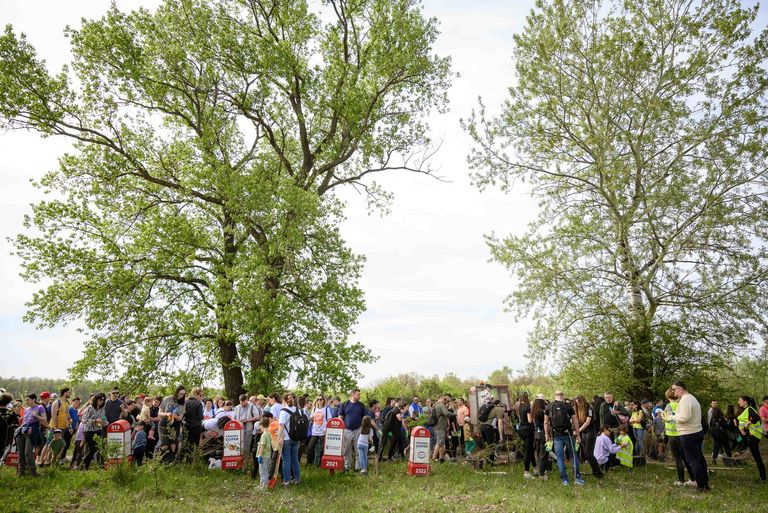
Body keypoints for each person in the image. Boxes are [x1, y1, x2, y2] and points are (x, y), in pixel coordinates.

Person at [672, 381, 709, 491]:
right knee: (699, 459)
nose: (673, 392)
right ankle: (704, 483)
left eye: (674, 389)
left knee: (693, 460)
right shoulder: (691, 398)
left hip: (689, 434)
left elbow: (684, 418)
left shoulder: (686, 400)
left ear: (680, 389)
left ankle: (701, 485)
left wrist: (671, 417)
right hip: (695, 432)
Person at [544, 391, 584, 486]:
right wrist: (578, 434)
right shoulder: (568, 406)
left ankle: (565, 480)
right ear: (562, 396)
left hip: (556, 435)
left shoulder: (549, 406)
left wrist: (547, 435)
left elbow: (546, 422)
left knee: (560, 458)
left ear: (555, 396)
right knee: (573, 455)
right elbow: (575, 420)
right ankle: (577, 478)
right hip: (568, 434)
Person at [663, 387, 695, 486]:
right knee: (686, 458)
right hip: (682, 433)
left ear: (668, 397)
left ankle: (681, 481)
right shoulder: (680, 404)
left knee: (678, 459)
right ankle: (693, 479)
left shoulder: (668, 406)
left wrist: (663, 418)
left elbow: (668, 419)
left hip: (673, 435)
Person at [338, 388, 369, 471]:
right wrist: (341, 428)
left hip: (358, 430)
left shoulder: (361, 405)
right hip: (346, 430)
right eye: (358, 394)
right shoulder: (344, 404)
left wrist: (363, 428)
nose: (359, 396)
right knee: (346, 450)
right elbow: (340, 417)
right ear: (352, 394)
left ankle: (357, 467)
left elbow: (365, 417)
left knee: (358, 449)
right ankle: (347, 467)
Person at [737, 395, 766, 482]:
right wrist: (741, 428)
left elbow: (757, 418)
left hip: (754, 436)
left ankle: (763, 477)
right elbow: (743, 422)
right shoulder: (746, 410)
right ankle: (762, 477)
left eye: (740, 400)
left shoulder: (749, 409)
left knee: (757, 457)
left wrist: (749, 422)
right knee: (756, 456)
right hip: (749, 435)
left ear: (745, 401)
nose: (738, 402)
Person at [16, 393, 46, 477]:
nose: (26, 402)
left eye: (28, 400)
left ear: (34, 399)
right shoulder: (26, 409)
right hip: (23, 431)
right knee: (21, 453)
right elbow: (25, 421)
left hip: (32, 432)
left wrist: (36, 415)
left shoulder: (40, 407)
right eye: (25, 400)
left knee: (28, 453)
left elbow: (44, 419)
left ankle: (33, 472)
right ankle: (21, 471)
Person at [574, 394, 602, 479]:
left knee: (589, 453)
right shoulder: (579, 410)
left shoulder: (589, 409)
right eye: (576, 403)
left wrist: (578, 431)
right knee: (586, 453)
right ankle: (594, 470)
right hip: (584, 433)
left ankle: (598, 472)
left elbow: (587, 422)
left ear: (582, 402)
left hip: (590, 432)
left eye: (578, 403)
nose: (577, 404)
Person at [277, 392, 302, 485]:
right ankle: (297, 479)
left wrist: (278, 439)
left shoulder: (284, 411)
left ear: (284, 400)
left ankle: (286, 481)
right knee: (295, 459)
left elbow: (281, 426)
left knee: (286, 460)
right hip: (296, 438)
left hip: (286, 438)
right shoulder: (299, 410)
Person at [158, 386, 186, 463]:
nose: (181, 395)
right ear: (176, 392)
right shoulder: (167, 399)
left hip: (175, 424)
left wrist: (176, 416)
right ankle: (157, 459)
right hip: (164, 422)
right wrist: (167, 414)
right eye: (180, 393)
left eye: (183, 394)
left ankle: (171, 462)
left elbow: (180, 418)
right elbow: (159, 413)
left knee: (174, 444)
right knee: (165, 444)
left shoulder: (183, 403)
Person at [81, 393, 106, 470]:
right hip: (88, 431)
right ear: (96, 399)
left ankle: (101, 466)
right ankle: (84, 466)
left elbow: (104, 418)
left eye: (103, 400)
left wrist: (104, 422)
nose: (102, 401)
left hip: (98, 430)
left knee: (99, 448)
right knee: (93, 449)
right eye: (101, 399)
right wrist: (95, 421)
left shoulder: (102, 409)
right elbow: (84, 421)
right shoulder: (89, 408)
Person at [306, 395, 331, 466]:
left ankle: (320, 464)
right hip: (314, 431)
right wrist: (313, 418)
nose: (319, 401)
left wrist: (326, 429)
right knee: (310, 447)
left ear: (323, 401)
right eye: (318, 399)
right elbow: (311, 418)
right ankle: (309, 463)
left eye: (321, 399)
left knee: (322, 449)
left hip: (323, 432)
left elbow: (329, 420)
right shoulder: (314, 409)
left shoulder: (326, 409)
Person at [516, 394, 535, 479]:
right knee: (528, 451)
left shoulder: (519, 407)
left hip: (521, 430)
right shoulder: (527, 407)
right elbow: (530, 420)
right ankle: (526, 471)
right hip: (528, 430)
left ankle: (535, 467)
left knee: (530, 449)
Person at [183, 387, 204, 460]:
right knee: (195, 445)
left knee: (186, 444)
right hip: (196, 427)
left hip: (186, 425)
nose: (201, 397)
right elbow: (200, 417)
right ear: (196, 394)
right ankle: (192, 461)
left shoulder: (185, 401)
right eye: (201, 395)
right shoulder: (199, 403)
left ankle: (183, 460)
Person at [431, 395, 453, 463]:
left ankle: (441, 459)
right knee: (439, 443)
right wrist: (454, 414)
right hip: (439, 427)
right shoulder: (441, 405)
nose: (447, 402)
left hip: (438, 427)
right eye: (446, 400)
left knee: (442, 443)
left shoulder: (436, 405)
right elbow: (446, 413)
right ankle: (433, 458)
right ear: (443, 399)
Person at [532, 397, 549, 479]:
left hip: (536, 434)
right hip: (542, 433)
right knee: (544, 454)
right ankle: (541, 473)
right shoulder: (541, 412)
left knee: (538, 453)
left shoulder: (534, 411)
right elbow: (545, 423)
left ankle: (539, 471)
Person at [256, 416, 273, 489]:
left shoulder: (264, 435)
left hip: (263, 456)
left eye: (260, 426)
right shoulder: (269, 433)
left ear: (262, 426)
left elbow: (262, 446)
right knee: (265, 471)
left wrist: (260, 456)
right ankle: (261, 484)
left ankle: (264, 486)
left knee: (263, 472)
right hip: (268, 455)